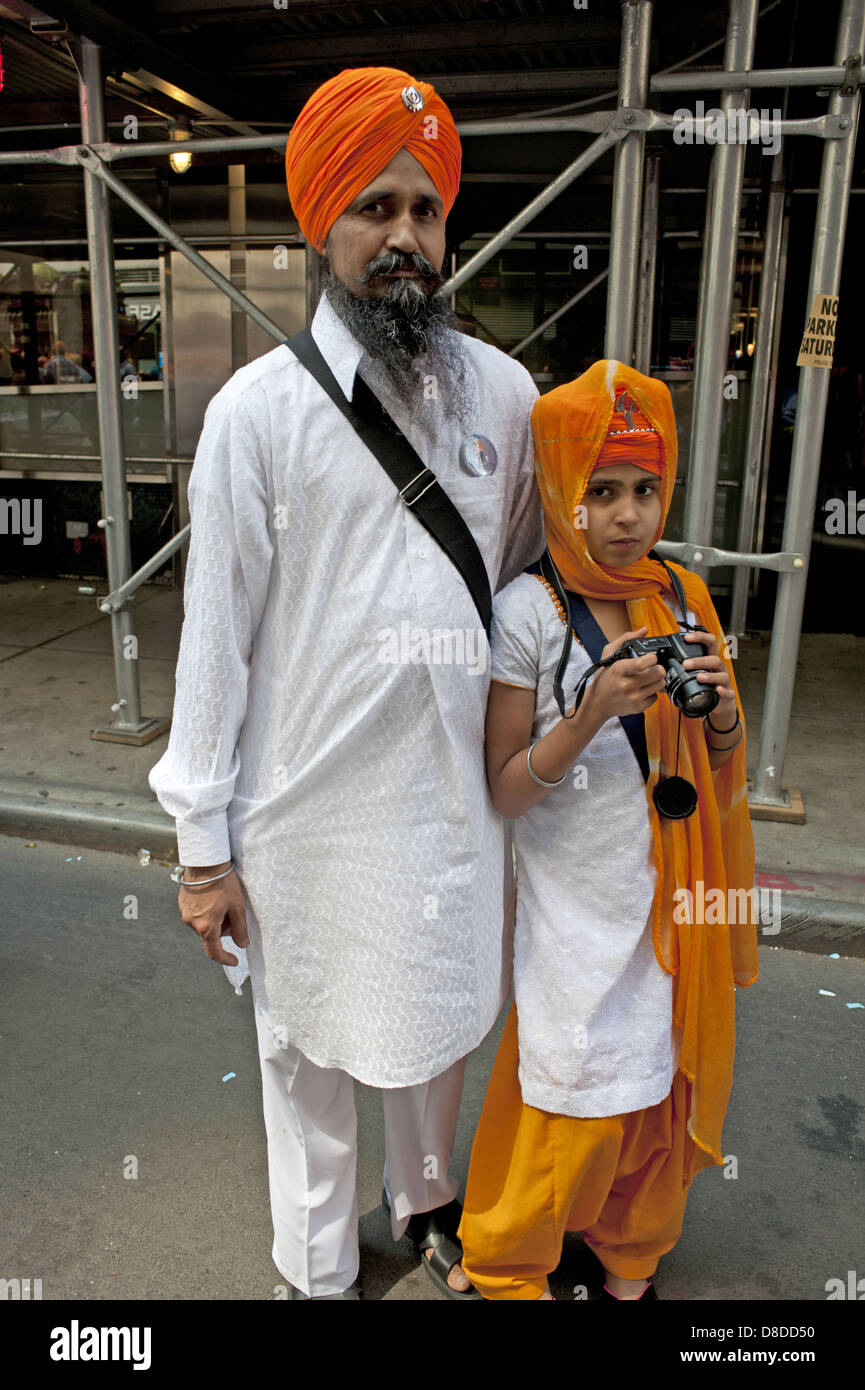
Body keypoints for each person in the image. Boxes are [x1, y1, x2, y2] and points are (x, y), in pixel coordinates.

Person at [148, 65, 543, 1301]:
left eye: (425, 210)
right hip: (305, 823)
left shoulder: (508, 398)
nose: (405, 237)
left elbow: (534, 594)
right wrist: (201, 849)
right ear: (321, 223)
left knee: (439, 1029)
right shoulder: (256, 418)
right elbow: (214, 643)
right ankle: (312, 1273)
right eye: (374, 207)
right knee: (307, 1055)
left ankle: (428, 1204)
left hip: (452, 810)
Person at [458, 360, 758, 1301]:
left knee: (658, 1087)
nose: (627, 515)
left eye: (644, 489)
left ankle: (629, 1259)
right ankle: (510, 1264)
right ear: (560, 490)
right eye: (601, 491)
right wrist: (589, 715)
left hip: (673, 899)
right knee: (572, 1091)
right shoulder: (527, 613)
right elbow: (507, 789)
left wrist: (711, 706)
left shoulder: (679, 595)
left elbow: (722, 758)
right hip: (574, 910)